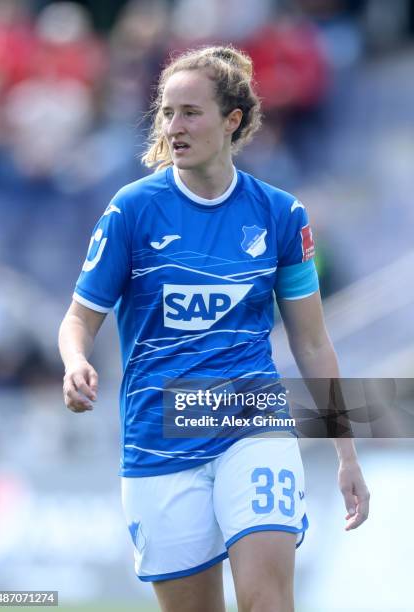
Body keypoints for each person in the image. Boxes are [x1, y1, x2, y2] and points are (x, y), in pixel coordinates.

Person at [58, 46, 370, 612]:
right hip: (159, 435)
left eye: (191, 112)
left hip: (251, 422)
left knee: (267, 603)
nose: (174, 127)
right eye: (168, 113)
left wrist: (346, 452)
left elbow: (312, 343)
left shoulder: (279, 214)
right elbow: (79, 318)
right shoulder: (132, 210)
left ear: (232, 121)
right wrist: (76, 360)